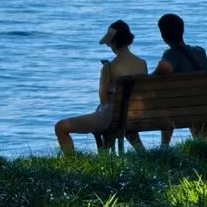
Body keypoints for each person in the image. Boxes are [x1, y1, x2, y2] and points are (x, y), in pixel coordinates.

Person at [55, 20, 147, 154]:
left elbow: (103, 99)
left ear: (112, 42)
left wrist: (104, 74)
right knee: (124, 122)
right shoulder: (142, 64)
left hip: (110, 118)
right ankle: (143, 154)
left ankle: (72, 164)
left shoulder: (109, 67)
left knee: (60, 127)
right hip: (134, 116)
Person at [154, 13, 207, 145]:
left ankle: (164, 147)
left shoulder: (170, 55)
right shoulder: (200, 52)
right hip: (205, 107)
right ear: (182, 31)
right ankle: (201, 146)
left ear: (163, 36)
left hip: (178, 111)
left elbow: (157, 76)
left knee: (167, 102)